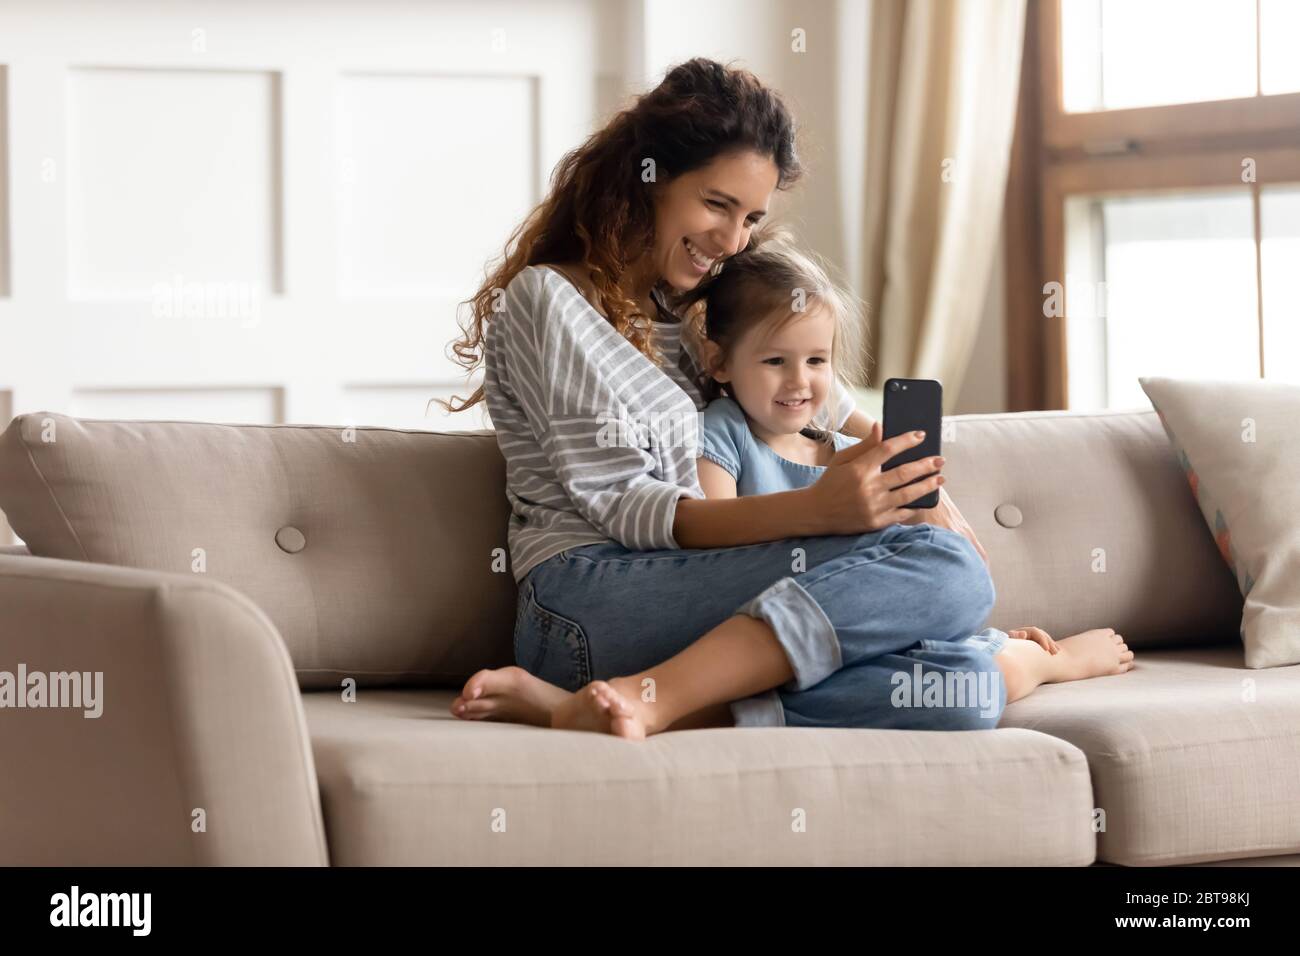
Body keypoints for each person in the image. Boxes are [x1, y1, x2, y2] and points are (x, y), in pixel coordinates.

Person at [439, 58, 1132, 739]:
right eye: (716, 204)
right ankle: (650, 696)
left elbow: (789, 387)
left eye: (750, 217)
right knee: (948, 570)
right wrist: (818, 510)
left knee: (962, 691)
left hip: (686, 600)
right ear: (646, 178)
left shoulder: (688, 309)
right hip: (586, 601)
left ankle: (618, 706)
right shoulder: (548, 300)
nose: (731, 240)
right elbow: (628, 508)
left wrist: (891, 459)